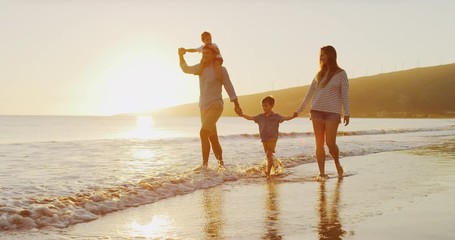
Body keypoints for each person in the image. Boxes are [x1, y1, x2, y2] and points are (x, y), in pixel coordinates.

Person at [178, 44, 242, 168]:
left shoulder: (221, 70)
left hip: (216, 105)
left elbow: (229, 86)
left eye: (207, 53)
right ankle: (221, 166)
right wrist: (180, 56)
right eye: (203, 53)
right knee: (212, 138)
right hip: (203, 107)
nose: (204, 56)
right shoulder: (200, 68)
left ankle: (204, 166)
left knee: (203, 133)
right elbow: (185, 69)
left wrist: (236, 104)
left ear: (213, 56)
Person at [293, 45, 350, 179]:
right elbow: (309, 95)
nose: (321, 57)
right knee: (319, 143)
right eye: (320, 54)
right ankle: (322, 173)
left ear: (331, 55)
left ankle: (337, 163)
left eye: (323, 54)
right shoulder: (319, 75)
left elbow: (345, 95)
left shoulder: (341, 74)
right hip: (316, 111)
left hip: (333, 113)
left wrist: (347, 112)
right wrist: (298, 111)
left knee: (330, 143)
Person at [240, 96, 295, 177]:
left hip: (273, 138)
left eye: (266, 105)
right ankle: (276, 166)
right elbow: (251, 118)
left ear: (272, 105)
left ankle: (268, 172)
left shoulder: (276, 116)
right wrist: (242, 115)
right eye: (263, 105)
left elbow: (286, 118)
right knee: (269, 156)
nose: (264, 107)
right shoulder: (260, 117)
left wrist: (293, 116)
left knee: (269, 154)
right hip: (264, 139)